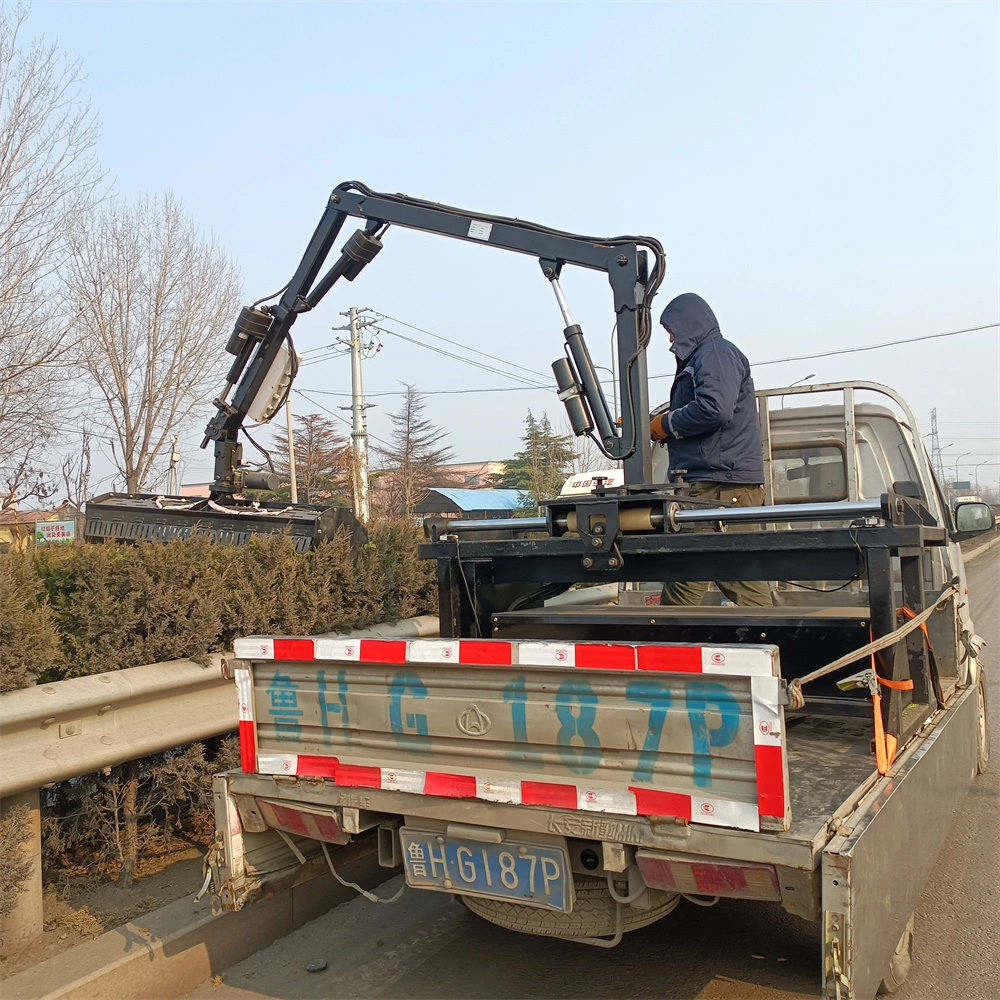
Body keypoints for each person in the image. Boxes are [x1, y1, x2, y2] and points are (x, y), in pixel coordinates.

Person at [649, 292, 772, 607]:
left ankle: (668, 646)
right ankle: (775, 642)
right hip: (720, 482)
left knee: (691, 572)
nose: (670, 340)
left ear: (688, 325)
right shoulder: (708, 356)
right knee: (735, 574)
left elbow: (714, 409)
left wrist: (666, 425)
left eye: (671, 331)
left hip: (720, 485)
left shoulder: (714, 353)